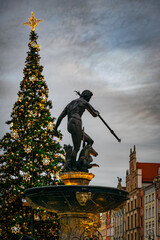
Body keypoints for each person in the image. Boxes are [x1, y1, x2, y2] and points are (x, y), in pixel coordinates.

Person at [54, 90, 99, 169]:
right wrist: (97, 112)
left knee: (90, 141)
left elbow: (60, 117)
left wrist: (55, 128)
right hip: (76, 122)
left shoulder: (70, 104)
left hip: (70, 125)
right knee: (76, 148)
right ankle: (73, 167)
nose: (89, 99)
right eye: (89, 97)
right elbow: (94, 114)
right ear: (86, 96)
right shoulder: (84, 102)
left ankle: (82, 160)